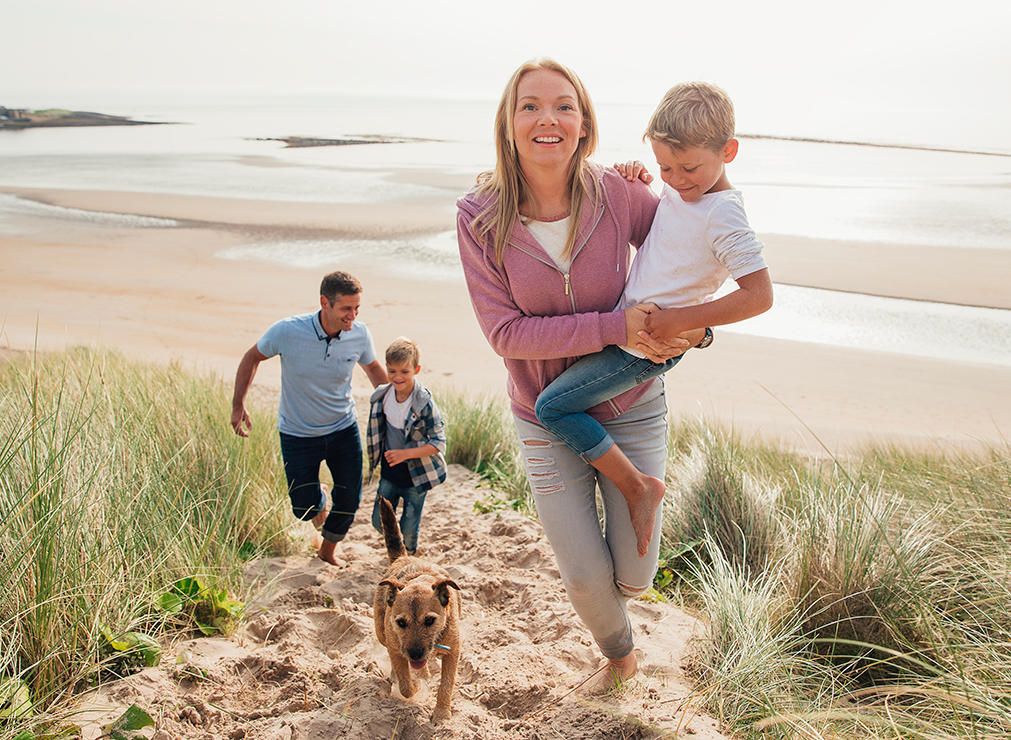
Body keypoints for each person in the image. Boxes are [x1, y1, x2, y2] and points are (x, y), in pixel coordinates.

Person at [456, 58, 703, 693]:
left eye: (564, 105)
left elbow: (692, 252)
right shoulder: (480, 216)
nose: (548, 118)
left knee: (635, 576)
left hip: (632, 401)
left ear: (584, 122)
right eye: (530, 105)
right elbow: (504, 333)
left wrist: (702, 327)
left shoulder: (620, 194)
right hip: (543, 412)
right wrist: (615, 327)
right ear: (509, 124)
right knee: (587, 579)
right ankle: (620, 658)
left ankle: (636, 508)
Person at [534, 81, 773, 559]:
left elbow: (759, 295)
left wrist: (684, 320)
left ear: (729, 151)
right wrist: (636, 174)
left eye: (689, 168)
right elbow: (665, 240)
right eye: (665, 165)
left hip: (644, 349)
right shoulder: (683, 190)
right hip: (630, 335)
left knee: (552, 408)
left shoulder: (724, 214)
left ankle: (638, 487)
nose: (677, 179)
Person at [231, 271, 388, 567]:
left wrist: (396, 406)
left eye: (357, 308)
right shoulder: (288, 331)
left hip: (343, 429)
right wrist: (238, 404)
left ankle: (327, 551)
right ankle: (319, 496)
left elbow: (374, 370)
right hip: (297, 433)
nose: (352, 316)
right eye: (346, 309)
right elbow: (251, 358)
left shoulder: (359, 333)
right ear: (324, 303)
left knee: (350, 500)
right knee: (304, 508)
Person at [367, 336, 447, 555]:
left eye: (404, 371)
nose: (397, 377)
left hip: (416, 476)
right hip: (389, 473)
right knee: (379, 521)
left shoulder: (424, 402)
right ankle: (397, 547)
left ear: (416, 369)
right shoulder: (381, 397)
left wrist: (405, 454)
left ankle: (407, 559)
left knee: (409, 528)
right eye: (392, 371)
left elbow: (438, 442)